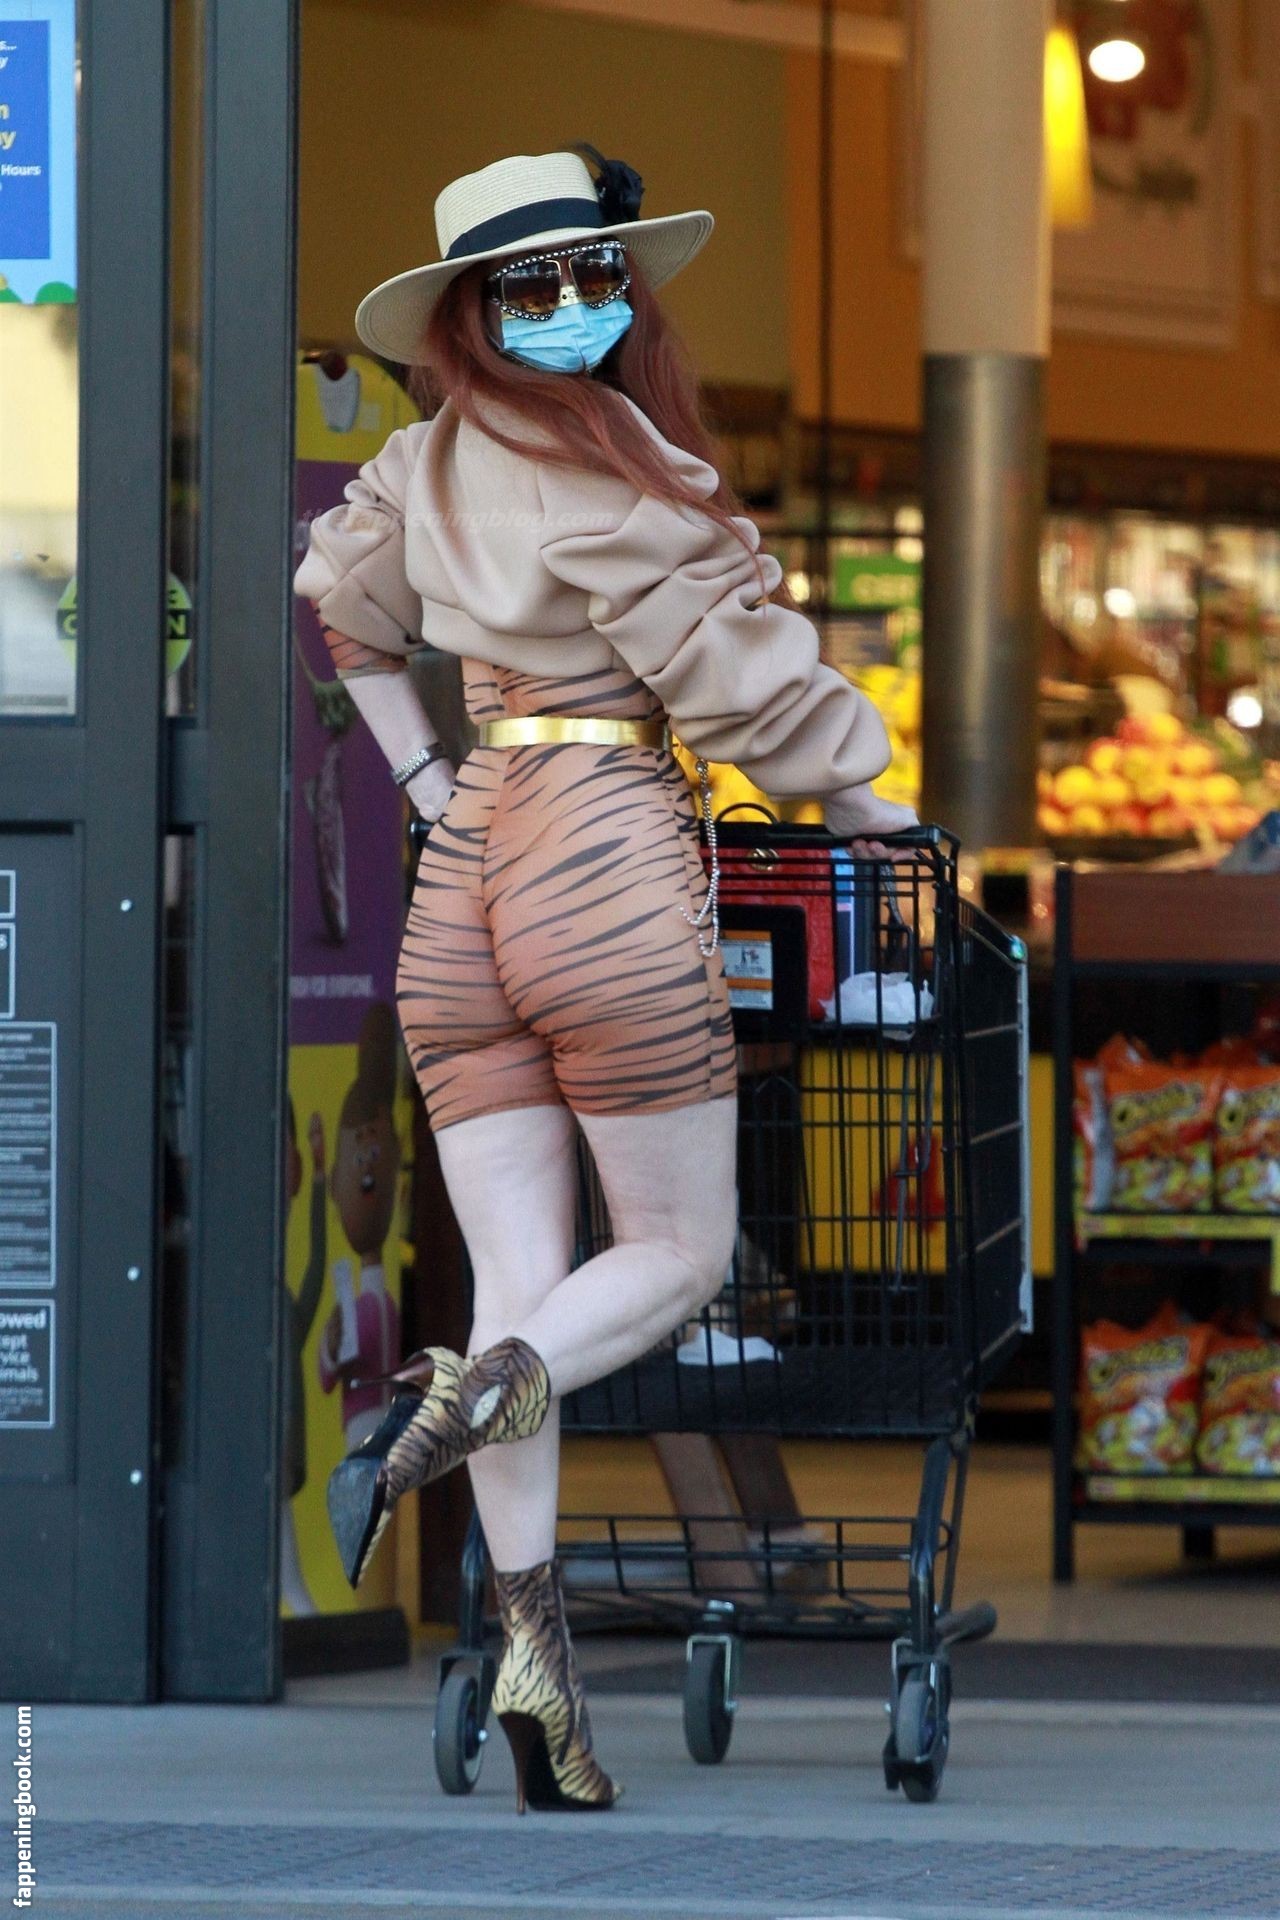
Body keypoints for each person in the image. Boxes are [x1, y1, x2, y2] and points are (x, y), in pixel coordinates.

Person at [294, 145, 915, 1814]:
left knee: (521, 1283)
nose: (574, 304)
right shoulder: (622, 463)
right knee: (681, 1253)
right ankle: (436, 1416)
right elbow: (742, 687)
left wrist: (425, 779)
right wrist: (883, 814)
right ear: (474, 310)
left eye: (593, 274)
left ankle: (538, 1685)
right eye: (535, 283)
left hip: (465, 868)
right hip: (604, 856)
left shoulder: (418, 462)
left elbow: (341, 617)